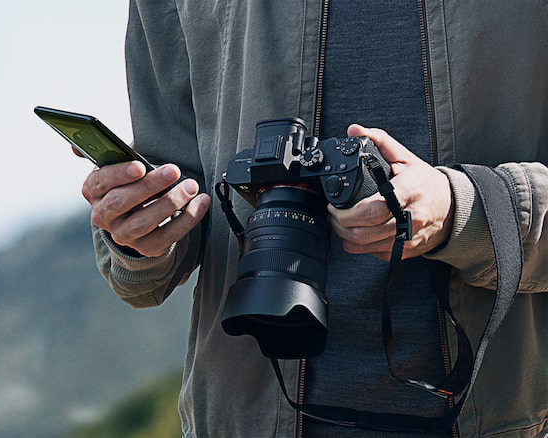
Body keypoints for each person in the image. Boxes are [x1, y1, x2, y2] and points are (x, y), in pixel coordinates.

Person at [81, 1, 548, 436]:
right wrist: (136, 233)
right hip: (242, 419)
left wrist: (462, 210)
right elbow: (167, 222)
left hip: (500, 417)